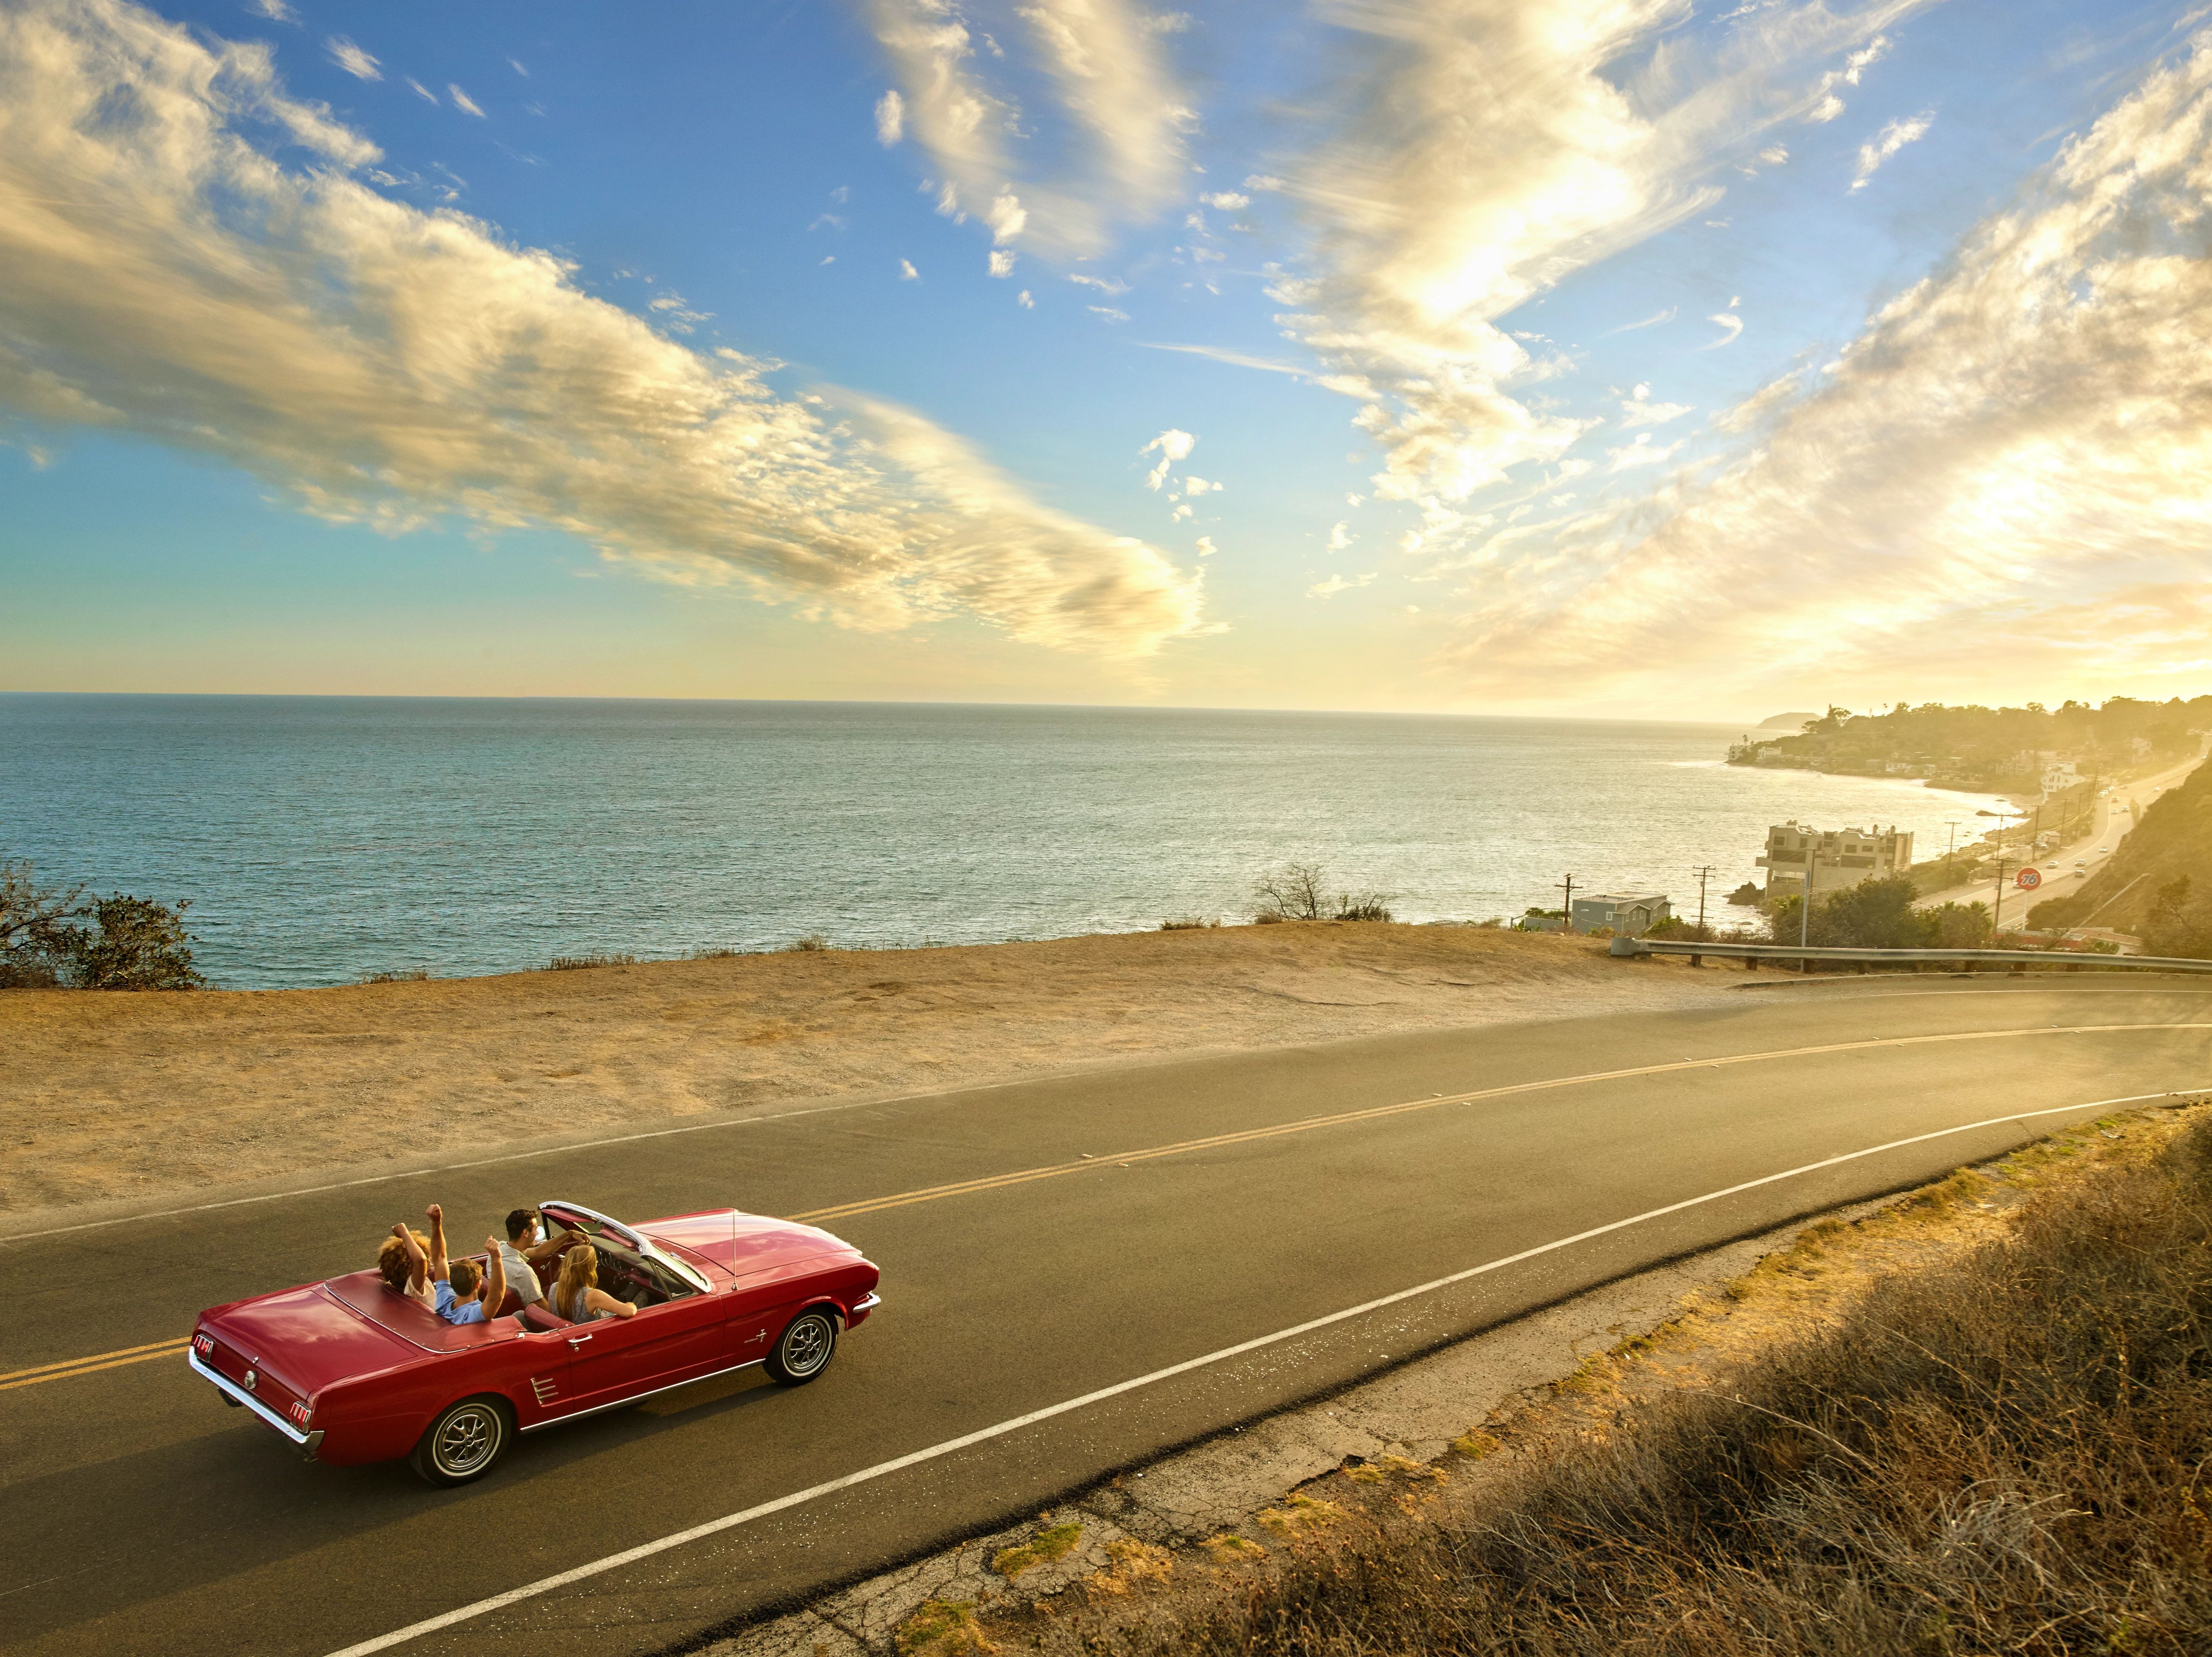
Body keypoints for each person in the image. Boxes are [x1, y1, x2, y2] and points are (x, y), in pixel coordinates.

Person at [423, 1202, 507, 1326]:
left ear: (452, 1283)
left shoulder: (444, 1301)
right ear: (478, 1284)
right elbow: (496, 1297)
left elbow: (440, 1258)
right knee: (520, 1315)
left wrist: (436, 1223)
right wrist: (497, 1258)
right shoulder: (472, 1316)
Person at [494, 1208, 575, 1310]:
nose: (537, 1233)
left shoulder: (499, 1251)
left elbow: (538, 1252)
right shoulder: (524, 1272)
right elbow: (547, 1311)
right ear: (526, 1233)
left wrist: (569, 1234)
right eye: (536, 1229)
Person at [550, 1244, 638, 1324]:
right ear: (590, 1268)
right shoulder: (592, 1295)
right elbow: (629, 1312)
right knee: (642, 1298)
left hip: (574, 1331)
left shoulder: (554, 1288)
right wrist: (630, 1304)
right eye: (596, 1262)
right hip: (595, 1333)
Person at [378, 1224, 436, 1310]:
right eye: (428, 1257)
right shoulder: (413, 1287)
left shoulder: (405, 1286)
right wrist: (405, 1234)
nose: (429, 1260)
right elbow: (420, 1260)